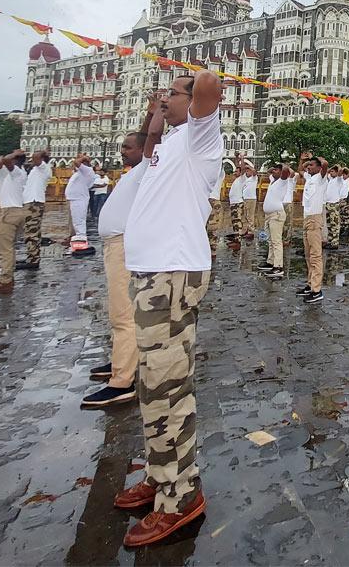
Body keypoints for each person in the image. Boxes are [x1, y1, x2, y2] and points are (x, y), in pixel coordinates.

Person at [115, 70, 223, 547]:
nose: (163, 100)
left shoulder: (199, 140)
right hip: (152, 274)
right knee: (153, 384)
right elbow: (144, 139)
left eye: (171, 95)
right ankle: (163, 477)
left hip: (173, 276)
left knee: (167, 387)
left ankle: (180, 497)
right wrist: (158, 110)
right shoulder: (165, 146)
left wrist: (188, 75)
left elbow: (210, 84)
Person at [84, 101, 155, 408]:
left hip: (124, 245)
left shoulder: (145, 168)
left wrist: (152, 115)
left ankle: (122, 380)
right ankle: (121, 362)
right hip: (116, 245)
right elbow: (146, 137)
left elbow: (150, 138)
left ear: (143, 151)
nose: (123, 151)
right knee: (120, 312)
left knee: (122, 314)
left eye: (128, 147)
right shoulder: (133, 172)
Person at [0, 151, 29, 293]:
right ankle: (7, 276)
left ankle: (6, 280)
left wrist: (13, 153)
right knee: (8, 247)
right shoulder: (18, 173)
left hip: (11, 212)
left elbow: (6, 160)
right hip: (15, 211)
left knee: (5, 248)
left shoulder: (17, 172)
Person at [295, 152, 329, 304]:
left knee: (315, 255)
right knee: (308, 255)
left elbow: (326, 165)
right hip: (307, 218)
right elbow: (300, 170)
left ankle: (317, 290)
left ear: (319, 167)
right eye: (308, 166)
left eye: (312, 165)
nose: (308, 167)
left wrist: (319, 159)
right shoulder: (309, 177)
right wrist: (304, 160)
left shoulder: (321, 178)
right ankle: (310, 284)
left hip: (315, 218)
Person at [19, 151, 52, 270]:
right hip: (32, 201)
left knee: (31, 232)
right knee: (32, 231)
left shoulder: (43, 168)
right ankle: (32, 256)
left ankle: (33, 259)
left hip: (34, 202)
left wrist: (42, 152)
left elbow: (36, 157)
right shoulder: (37, 170)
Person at [261, 164, 294, 274]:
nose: (273, 171)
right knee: (270, 240)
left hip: (276, 214)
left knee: (276, 241)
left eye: (276, 170)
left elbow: (286, 171)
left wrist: (284, 165)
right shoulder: (273, 180)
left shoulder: (282, 181)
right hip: (269, 215)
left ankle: (278, 266)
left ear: (281, 173)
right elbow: (268, 172)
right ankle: (270, 262)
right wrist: (273, 169)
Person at [65, 154, 97, 240]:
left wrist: (84, 157)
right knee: (76, 222)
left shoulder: (88, 170)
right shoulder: (80, 172)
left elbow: (76, 162)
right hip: (75, 199)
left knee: (79, 222)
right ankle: (78, 238)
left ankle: (81, 238)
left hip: (79, 199)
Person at [206, 174, 224, 254]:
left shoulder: (219, 173)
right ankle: (207, 249)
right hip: (206, 200)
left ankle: (212, 251)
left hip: (214, 200)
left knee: (212, 228)